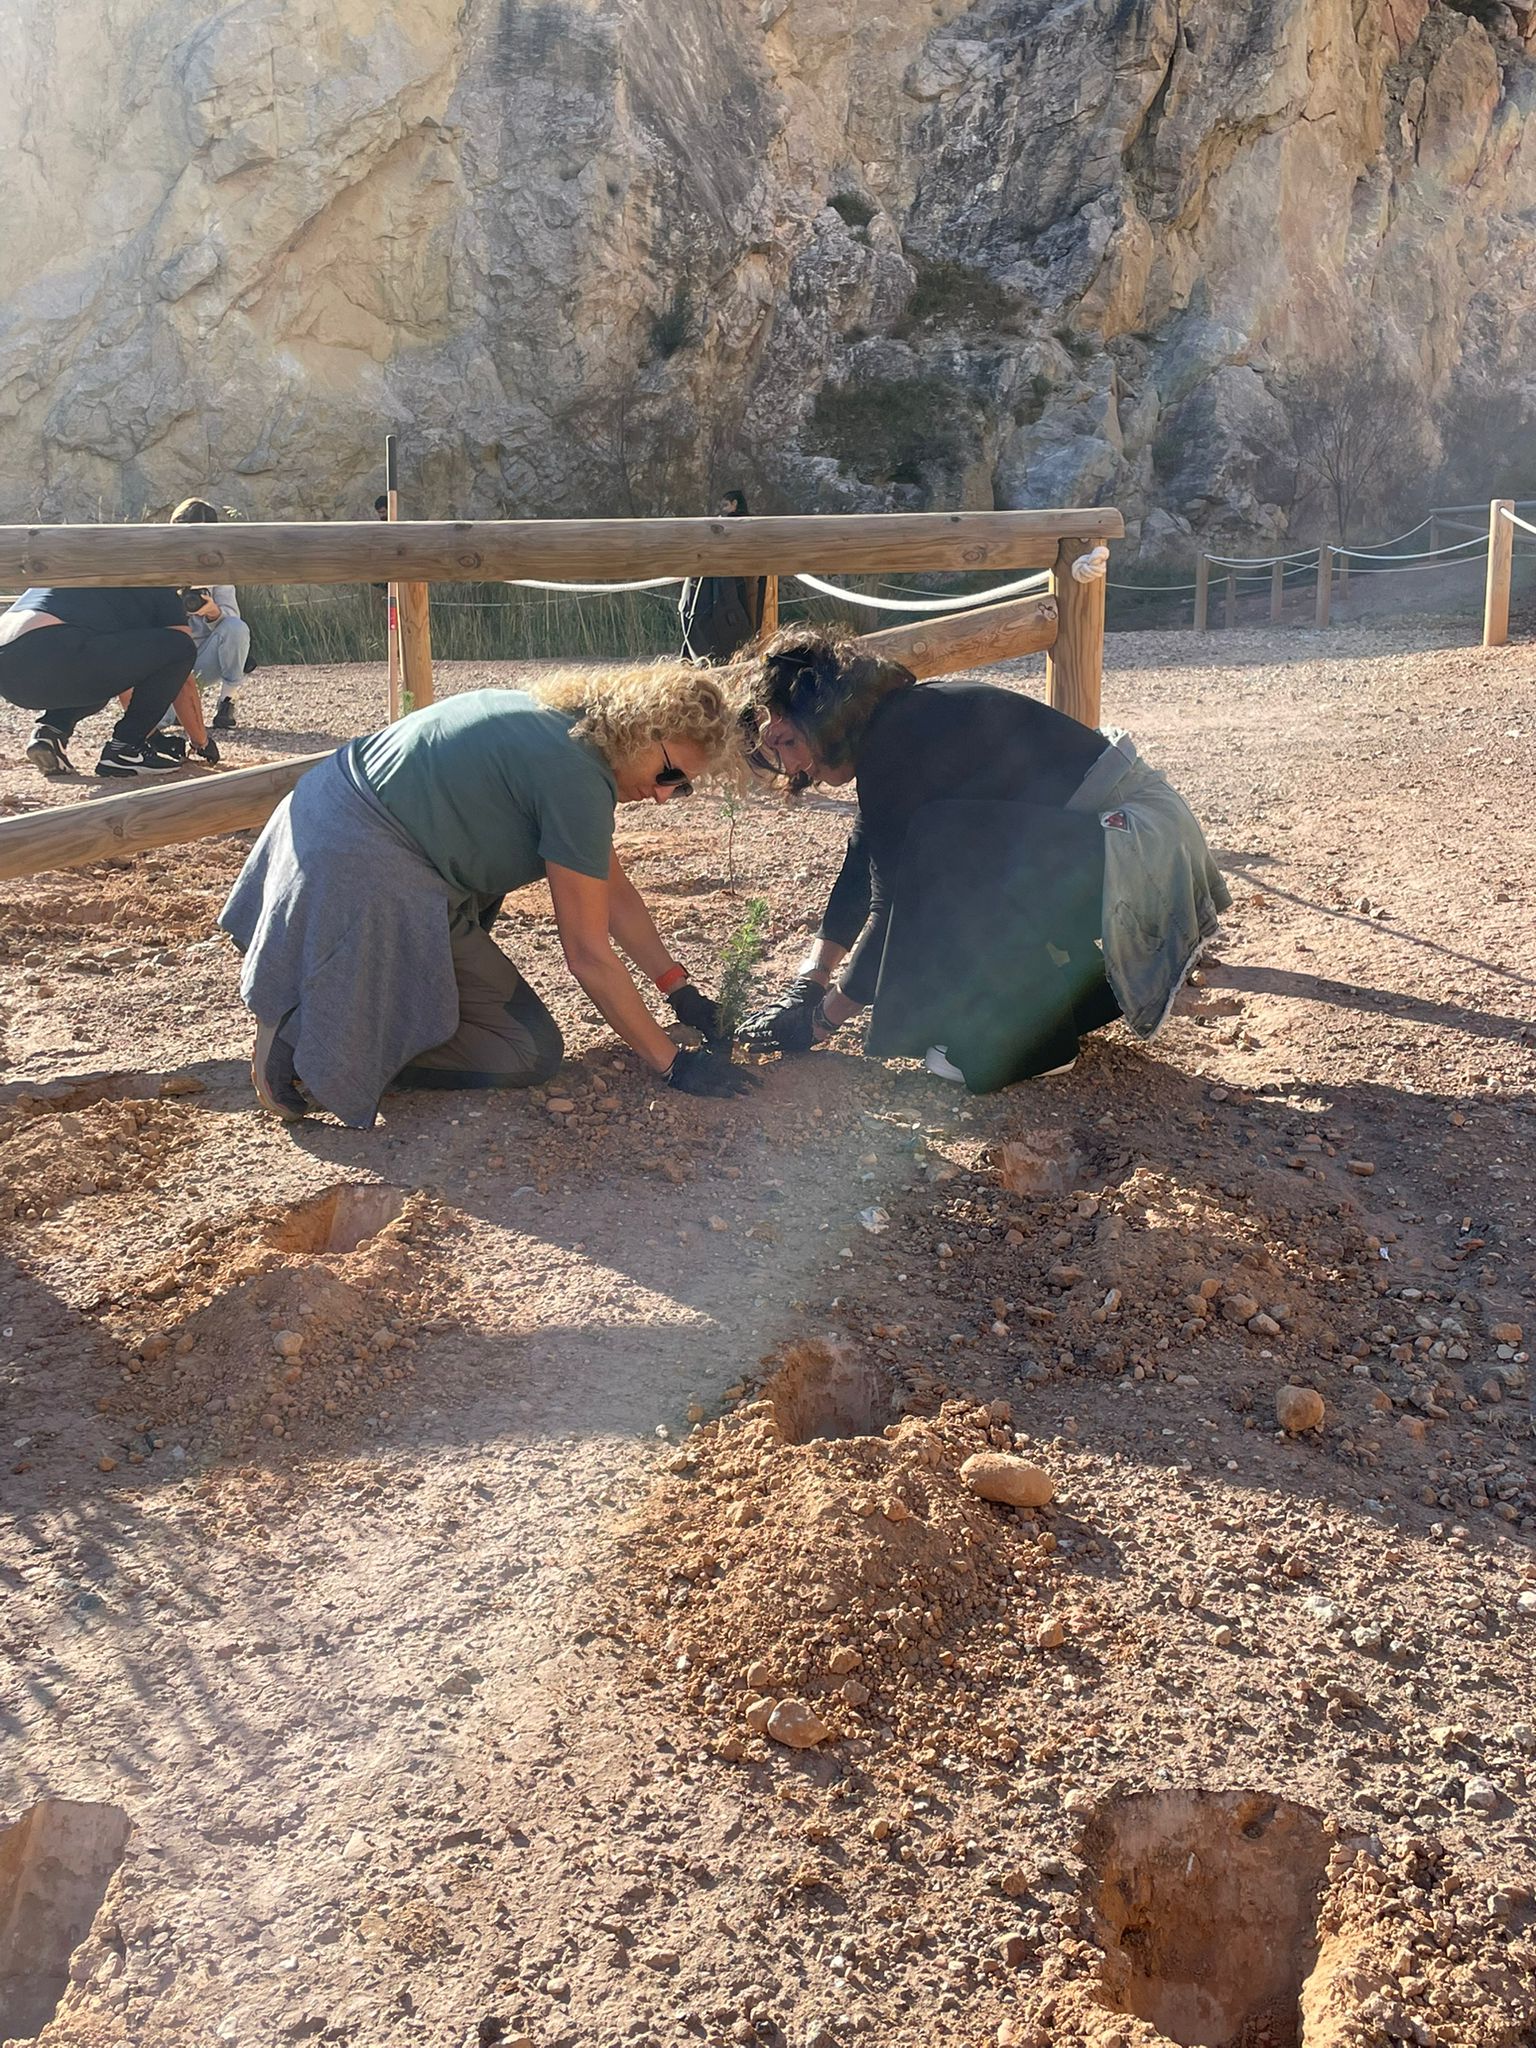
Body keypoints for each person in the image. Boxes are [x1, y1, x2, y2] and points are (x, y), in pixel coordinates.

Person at [219, 664, 757, 1128]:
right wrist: (671, 1065)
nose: (665, 796)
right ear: (644, 727)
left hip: (320, 816)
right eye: (669, 774)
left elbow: (612, 891)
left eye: (683, 786)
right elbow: (589, 955)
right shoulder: (577, 775)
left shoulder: (562, 725)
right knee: (527, 1051)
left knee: (449, 1001)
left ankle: (318, 1015)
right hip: (367, 866)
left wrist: (677, 989)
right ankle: (318, 1042)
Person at [737, 628, 1229, 1093]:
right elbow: (869, 853)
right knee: (946, 848)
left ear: (825, 713)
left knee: (944, 843)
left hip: (1136, 844)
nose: (795, 765)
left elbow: (893, 903)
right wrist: (812, 980)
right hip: (1124, 846)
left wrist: (820, 1022)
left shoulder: (898, 736)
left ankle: (1040, 1046)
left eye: (788, 741)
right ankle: (1085, 995)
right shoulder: (895, 727)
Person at [0, 583, 198, 778]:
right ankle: (124, 751)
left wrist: (153, 736)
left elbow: (124, 678)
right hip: (51, 649)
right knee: (181, 646)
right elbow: (181, 671)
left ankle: (51, 732)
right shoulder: (156, 581)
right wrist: (201, 743)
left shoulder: (87, 571)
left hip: (9, 671)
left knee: (97, 679)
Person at [167, 498, 251, 729]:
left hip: (203, 657)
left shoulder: (218, 568)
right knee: (161, 721)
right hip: (164, 660)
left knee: (236, 628)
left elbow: (233, 620)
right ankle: (178, 706)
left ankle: (228, 699)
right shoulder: (160, 565)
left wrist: (213, 613)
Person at [679, 490, 767, 663]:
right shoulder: (752, 525)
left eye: (727, 505)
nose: (724, 509)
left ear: (735, 504)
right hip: (742, 585)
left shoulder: (730, 526)